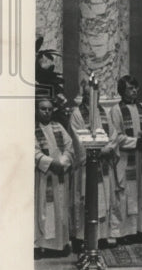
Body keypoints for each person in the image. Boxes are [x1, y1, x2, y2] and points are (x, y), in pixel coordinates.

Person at [68, 79, 119, 250]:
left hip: (102, 164)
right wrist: (96, 151)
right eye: (90, 95)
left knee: (104, 197)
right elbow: (77, 140)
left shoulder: (103, 112)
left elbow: (114, 135)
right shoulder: (77, 114)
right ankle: (82, 237)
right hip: (86, 166)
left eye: (96, 95)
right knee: (85, 199)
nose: (93, 98)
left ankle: (102, 236)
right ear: (84, 96)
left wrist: (107, 149)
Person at [109, 74, 142, 244]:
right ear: (121, 91)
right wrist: (136, 141)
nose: (134, 91)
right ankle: (124, 232)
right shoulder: (116, 110)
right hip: (126, 159)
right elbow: (115, 136)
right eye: (130, 88)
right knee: (126, 195)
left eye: (136, 88)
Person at [34, 96, 74, 256]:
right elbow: (33, 151)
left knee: (60, 209)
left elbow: (69, 146)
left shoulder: (58, 127)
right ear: (37, 110)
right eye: (43, 109)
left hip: (59, 175)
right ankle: (41, 245)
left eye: (50, 109)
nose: (47, 112)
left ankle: (59, 245)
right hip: (43, 177)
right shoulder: (32, 129)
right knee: (42, 209)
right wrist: (50, 163)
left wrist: (62, 163)